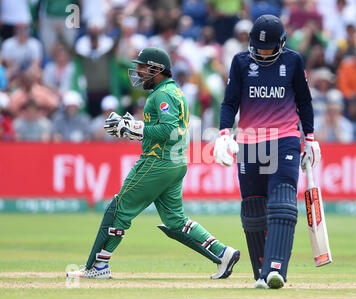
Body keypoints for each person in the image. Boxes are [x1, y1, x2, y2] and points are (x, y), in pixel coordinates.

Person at [67, 47, 240, 279]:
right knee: (175, 221)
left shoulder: (162, 95)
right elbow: (169, 125)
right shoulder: (173, 91)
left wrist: (134, 128)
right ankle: (223, 253)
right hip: (175, 162)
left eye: (142, 66)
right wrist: (134, 126)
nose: (137, 71)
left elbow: (168, 129)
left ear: (156, 69)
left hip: (157, 161)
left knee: (119, 209)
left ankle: (97, 267)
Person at [213, 14, 320, 289]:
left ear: (281, 43)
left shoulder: (293, 61)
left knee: (282, 202)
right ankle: (261, 272)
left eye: (268, 47)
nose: (262, 51)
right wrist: (224, 133)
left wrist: (309, 137)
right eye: (258, 47)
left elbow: (305, 101)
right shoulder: (240, 62)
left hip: (284, 139)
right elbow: (230, 102)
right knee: (253, 208)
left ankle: (276, 270)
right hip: (249, 142)